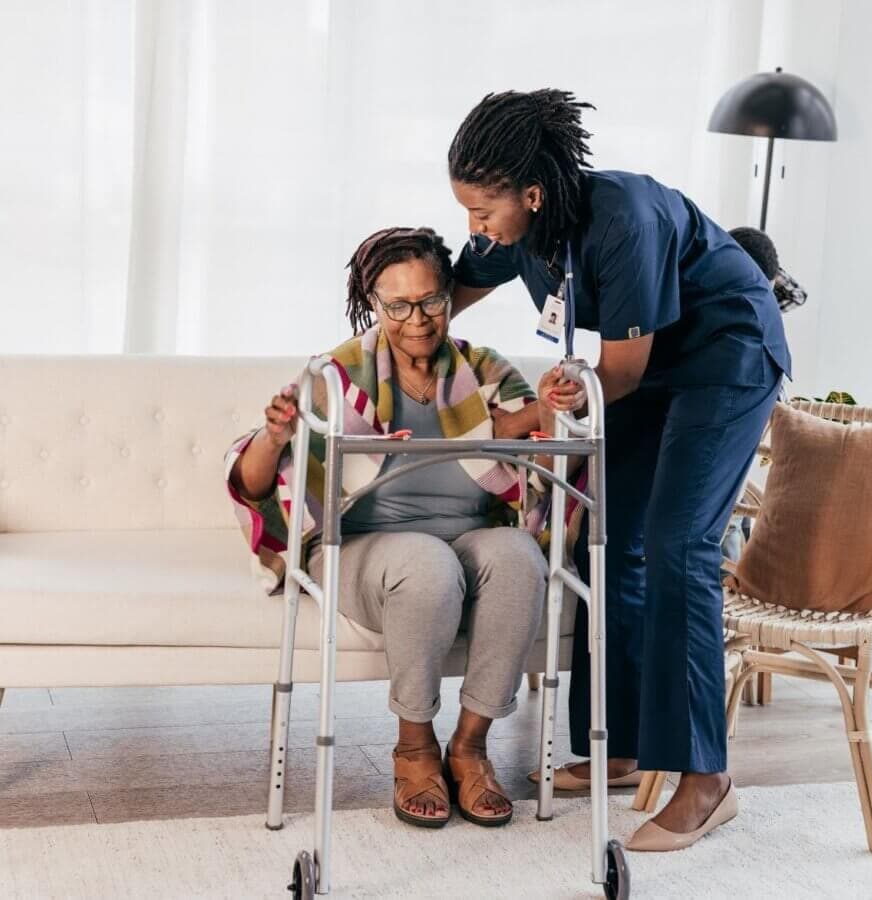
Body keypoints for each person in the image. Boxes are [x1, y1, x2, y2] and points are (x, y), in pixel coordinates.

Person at [446, 90, 791, 851]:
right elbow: (445, 297)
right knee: (599, 540)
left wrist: (541, 409)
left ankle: (707, 780)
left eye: (482, 212)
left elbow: (621, 373)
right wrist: (380, 326)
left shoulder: (623, 219)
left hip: (725, 355)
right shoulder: (515, 224)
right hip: (649, 367)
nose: (476, 229)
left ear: (530, 194)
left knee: (678, 545)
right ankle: (627, 748)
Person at [225, 227, 549, 829]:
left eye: (430, 301)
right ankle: (415, 747)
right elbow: (252, 483)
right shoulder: (335, 378)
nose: (417, 319)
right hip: (364, 548)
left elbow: (542, 460)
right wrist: (275, 437)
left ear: (451, 298)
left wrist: (550, 409)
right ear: (373, 303)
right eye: (397, 305)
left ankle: (470, 746)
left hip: (470, 538)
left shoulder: (484, 370)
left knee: (520, 558)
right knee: (426, 563)